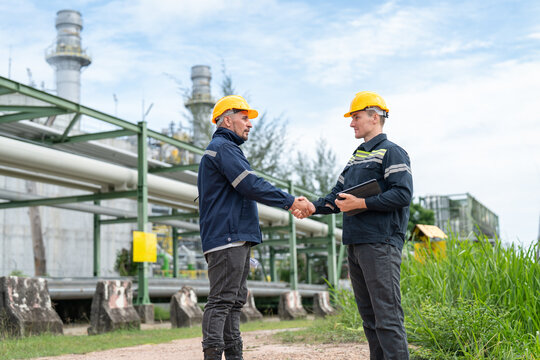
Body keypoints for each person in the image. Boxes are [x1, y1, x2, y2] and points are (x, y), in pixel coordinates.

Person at [197, 95, 311, 360]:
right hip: (228, 237)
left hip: (234, 236)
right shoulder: (223, 148)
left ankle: (235, 356)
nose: (249, 124)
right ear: (227, 119)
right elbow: (248, 184)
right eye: (244, 118)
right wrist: (290, 201)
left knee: (235, 301)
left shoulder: (226, 149)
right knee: (222, 301)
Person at [300, 91, 413, 359]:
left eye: (356, 117)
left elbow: (403, 194)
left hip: (381, 243)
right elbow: (337, 197)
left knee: (387, 317)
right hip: (356, 243)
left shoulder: (393, 152)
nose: (352, 123)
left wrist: (362, 204)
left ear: (375, 117)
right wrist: (312, 207)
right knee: (370, 319)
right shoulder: (357, 156)